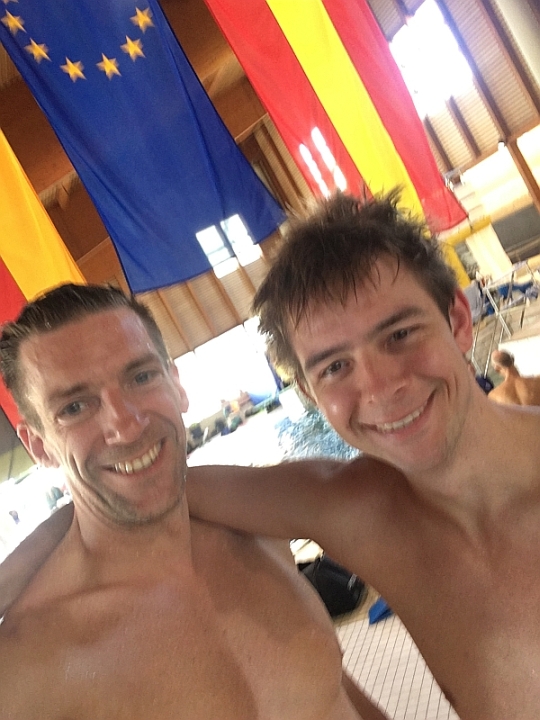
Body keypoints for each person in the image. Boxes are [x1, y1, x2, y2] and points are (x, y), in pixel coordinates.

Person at [5, 191, 540, 719]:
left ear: (459, 321)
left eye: (400, 334)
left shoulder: (298, 524)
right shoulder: (355, 509)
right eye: (334, 367)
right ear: (308, 391)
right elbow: (135, 494)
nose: (380, 388)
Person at [0, 283, 387, 720]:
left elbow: (332, 692)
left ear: (177, 385)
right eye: (74, 407)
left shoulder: (257, 530)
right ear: (39, 445)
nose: (126, 425)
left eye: (141, 377)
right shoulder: (28, 663)